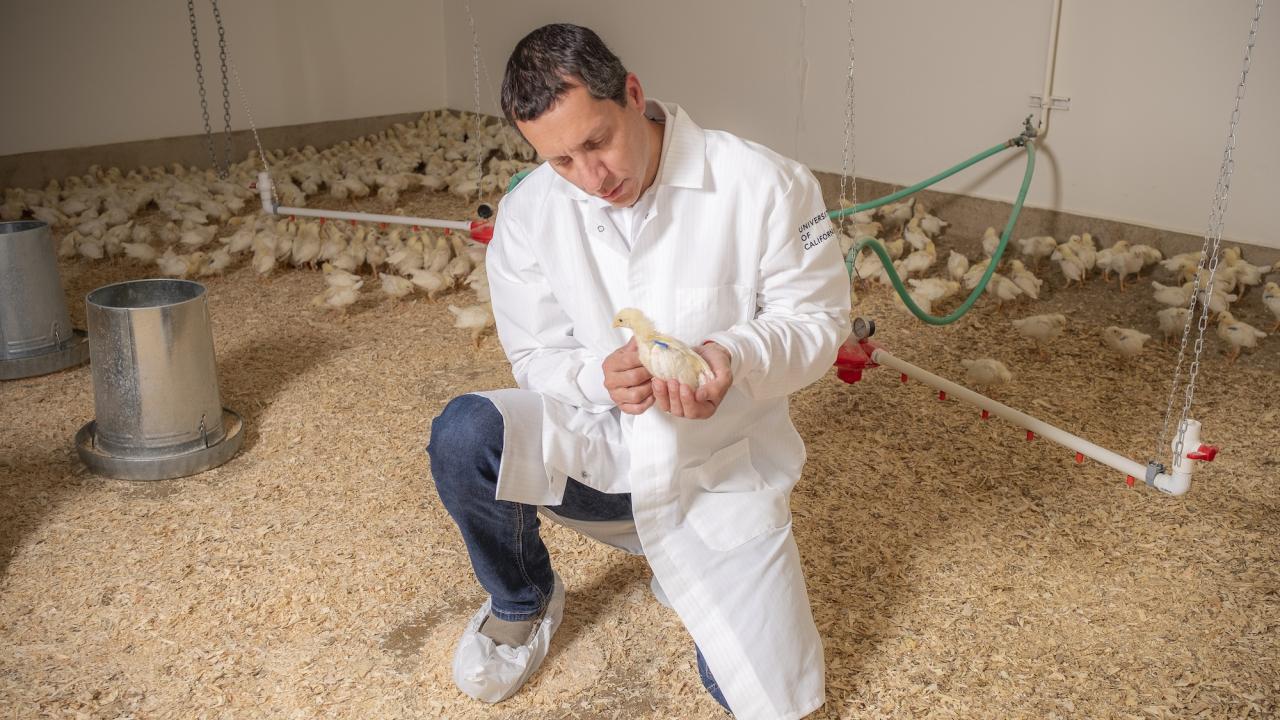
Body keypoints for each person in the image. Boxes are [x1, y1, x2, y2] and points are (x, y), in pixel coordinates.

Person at [426, 23, 850, 719]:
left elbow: (818, 325)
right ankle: (521, 599)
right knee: (466, 435)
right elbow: (536, 355)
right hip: (601, 453)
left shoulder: (762, 184)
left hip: (717, 472)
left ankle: (676, 556)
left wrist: (734, 355)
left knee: (775, 703)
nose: (592, 178)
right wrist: (599, 379)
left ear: (632, 94)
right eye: (560, 160)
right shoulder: (531, 210)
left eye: (597, 141)